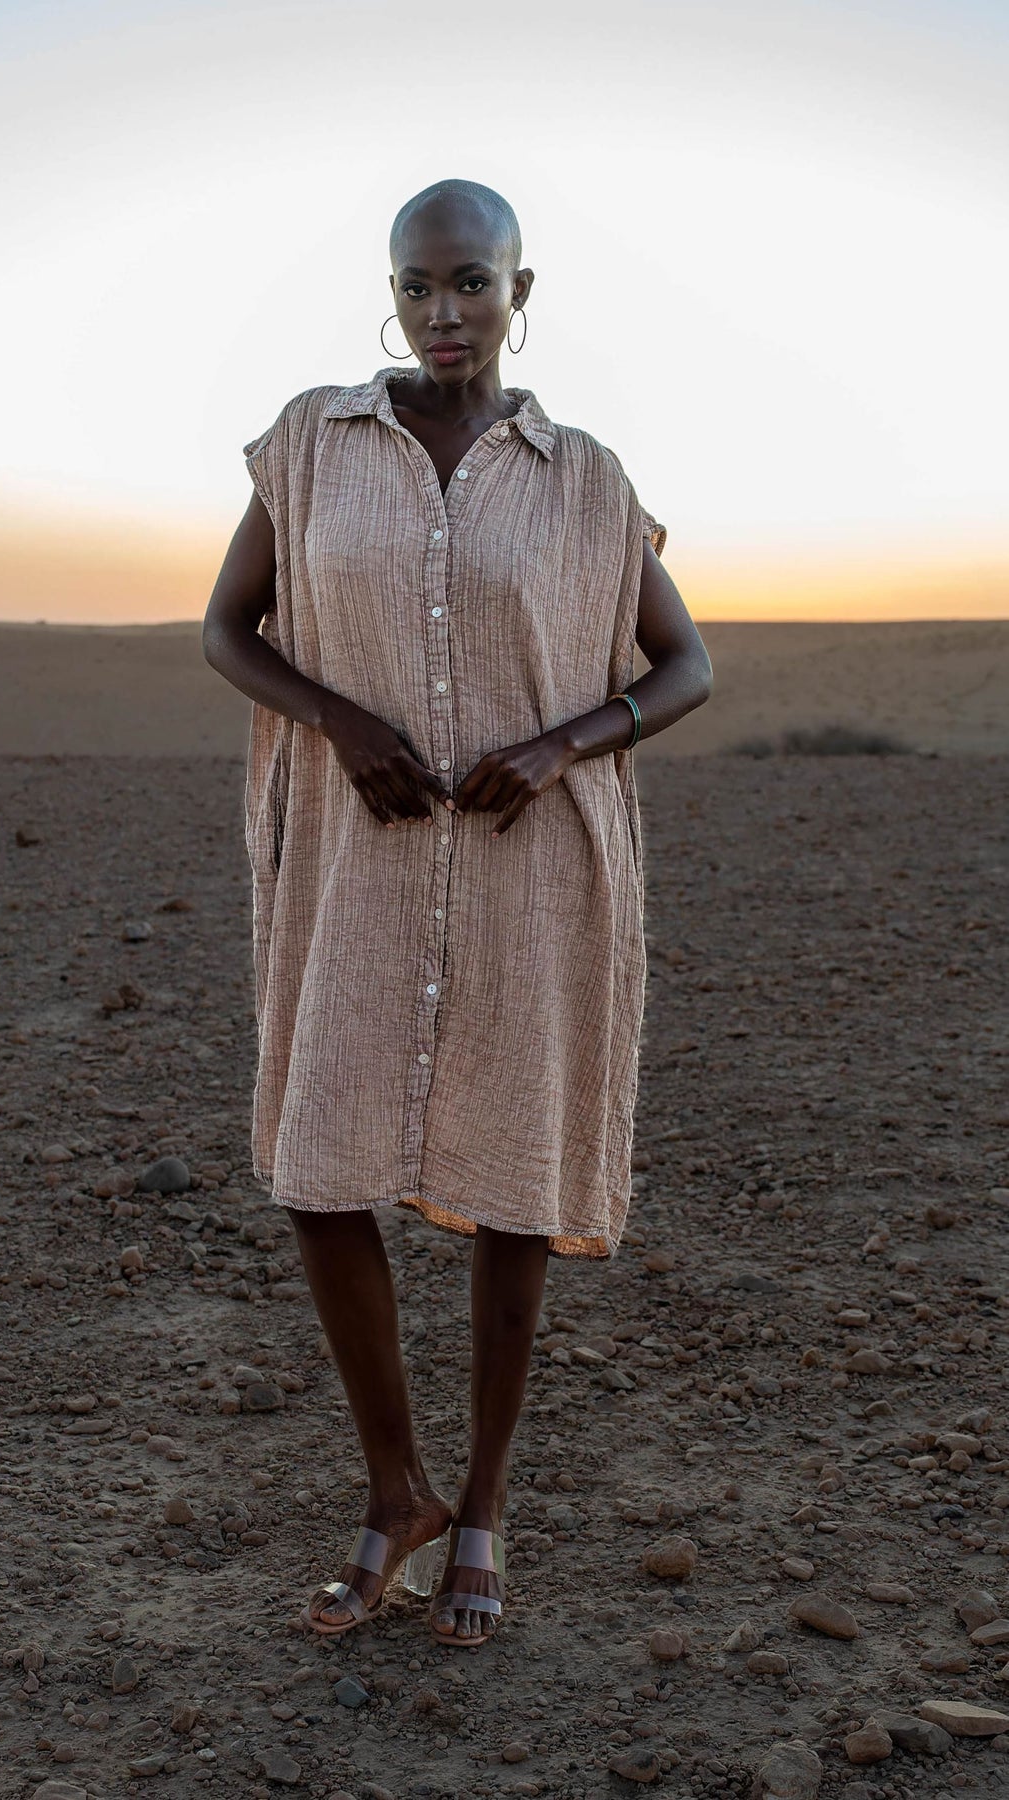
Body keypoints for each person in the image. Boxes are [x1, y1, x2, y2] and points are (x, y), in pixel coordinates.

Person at [202, 177, 713, 1648]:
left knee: (513, 1185)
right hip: (355, 857)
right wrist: (339, 720)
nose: (443, 312)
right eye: (417, 285)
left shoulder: (586, 480)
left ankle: (481, 1504)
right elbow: (227, 627)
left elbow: (684, 666)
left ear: (517, 291)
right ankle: (396, 1493)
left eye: (471, 283)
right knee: (318, 1168)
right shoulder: (312, 444)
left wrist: (563, 745)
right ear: (391, 292)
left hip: (529, 864)